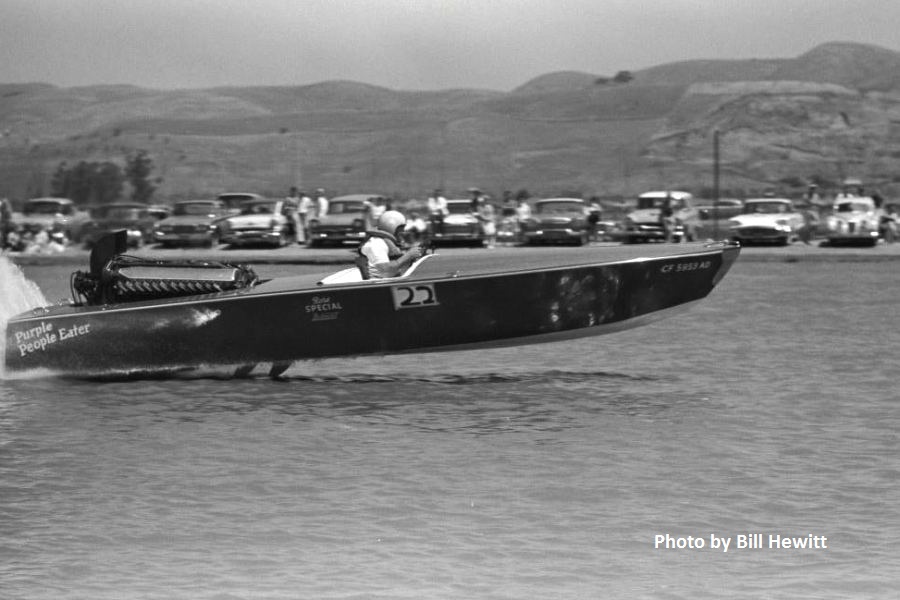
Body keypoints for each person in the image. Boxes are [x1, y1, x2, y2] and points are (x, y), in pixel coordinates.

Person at [357, 210, 425, 279]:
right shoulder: (376, 243)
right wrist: (408, 255)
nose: (403, 231)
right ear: (391, 226)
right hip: (377, 286)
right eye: (401, 229)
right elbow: (384, 272)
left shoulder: (386, 243)